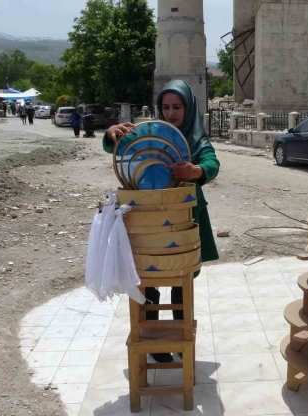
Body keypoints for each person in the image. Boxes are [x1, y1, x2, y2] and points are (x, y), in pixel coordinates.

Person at [103, 80, 220, 363]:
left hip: (183, 219)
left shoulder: (197, 140)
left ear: (188, 108)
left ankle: (181, 339)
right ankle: (155, 344)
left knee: (181, 280)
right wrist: (111, 134)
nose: (171, 113)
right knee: (150, 279)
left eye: (177, 107)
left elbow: (211, 163)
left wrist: (196, 171)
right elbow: (116, 147)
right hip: (148, 219)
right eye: (166, 107)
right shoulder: (148, 134)